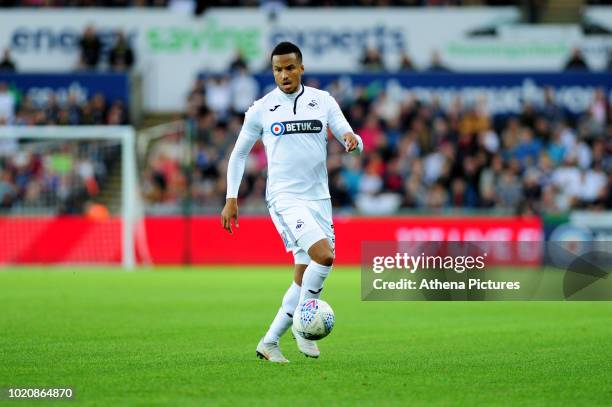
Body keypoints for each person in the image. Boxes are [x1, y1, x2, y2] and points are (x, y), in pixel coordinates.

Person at [221, 42, 363, 363]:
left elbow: (348, 134)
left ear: (301, 67)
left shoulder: (322, 101)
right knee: (324, 257)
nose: (283, 75)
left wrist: (354, 142)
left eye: (289, 68)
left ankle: (269, 342)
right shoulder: (261, 108)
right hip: (285, 198)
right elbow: (239, 154)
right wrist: (231, 198)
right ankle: (303, 325)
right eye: (277, 69)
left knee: (304, 274)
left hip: (319, 199)